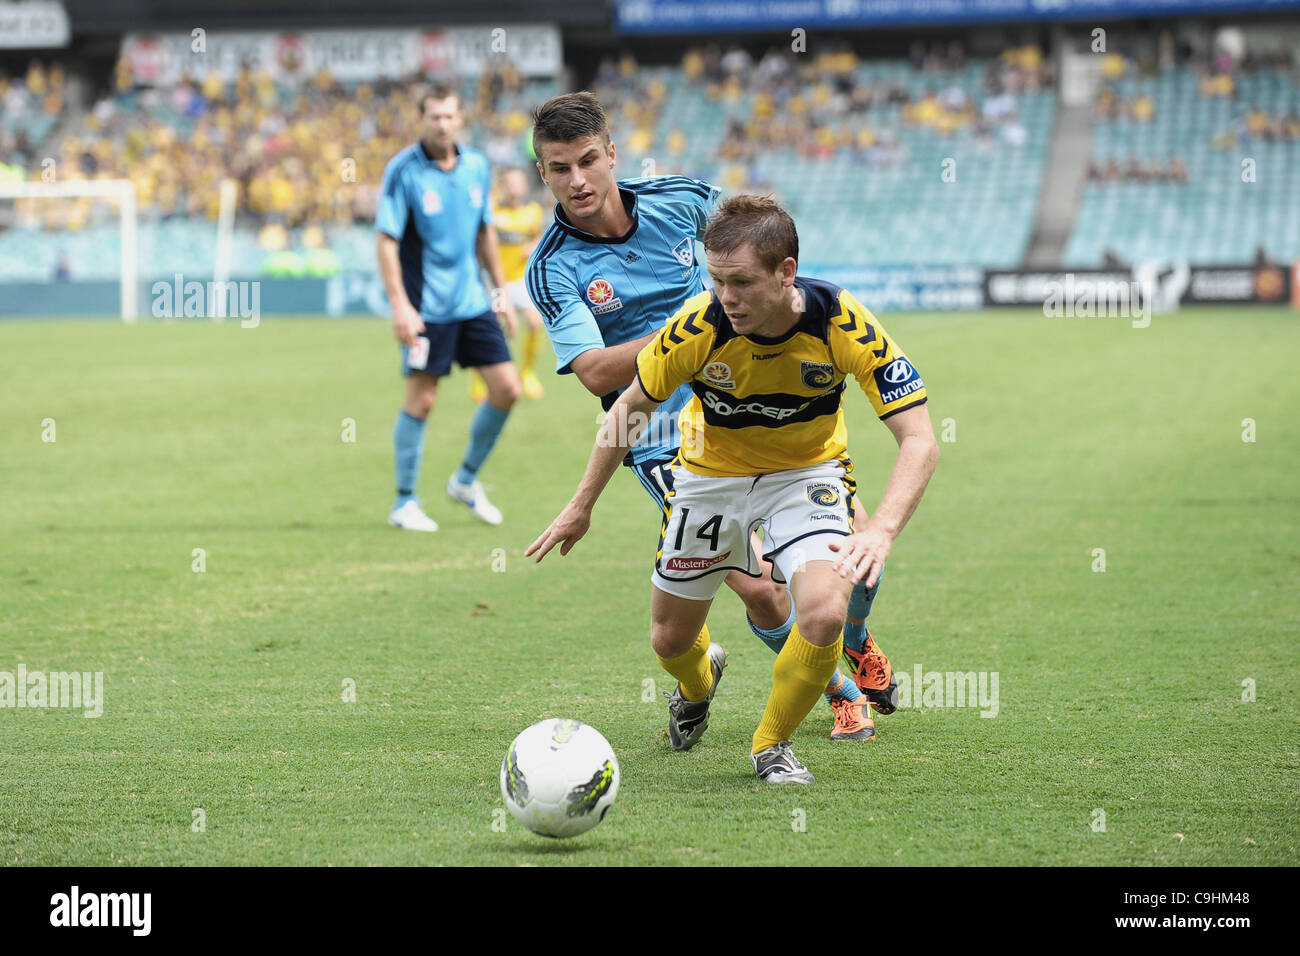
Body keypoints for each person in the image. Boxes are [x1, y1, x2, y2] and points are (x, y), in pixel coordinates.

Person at [525, 92, 897, 743]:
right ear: (543, 175)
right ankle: (838, 689)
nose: (578, 181)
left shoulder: (683, 201)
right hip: (663, 443)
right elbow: (593, 372)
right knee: (761, 591)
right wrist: (697, 331)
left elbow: (758, 235)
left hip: (761, 412)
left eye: (588, 160)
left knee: (857, 552)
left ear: (612, 154)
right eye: (560, 168)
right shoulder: (555, 266)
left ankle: (856, 641)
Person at [376, 84, 520, 532]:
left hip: (472, 302)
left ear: (461, 120)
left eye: (449, 116)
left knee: (507, 388)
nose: (442, 124)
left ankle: (465, 480)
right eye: (434, 116)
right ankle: (404, 503)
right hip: (426, 309)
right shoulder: (403, 171)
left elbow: (484, 232)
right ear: (421, 119)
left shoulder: (477, 166)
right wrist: (400, 305)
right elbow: (386, 239)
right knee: (422, 400)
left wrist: (500, 291)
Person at [469, 167, 547, 402]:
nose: (514, 187)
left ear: (524, 186)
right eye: (510, 183)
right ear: (503, 186)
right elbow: (478, 241)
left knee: (535, 323)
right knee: (489, 330)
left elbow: (540, 237)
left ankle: (527, 373)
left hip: (520, 280)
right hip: (495, 281)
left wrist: (534, 245)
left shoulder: (533, 212)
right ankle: (479, 382)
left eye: (518, 182)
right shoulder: (492, 210)